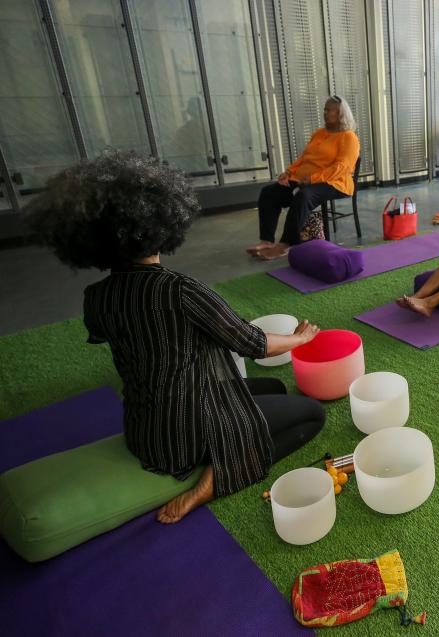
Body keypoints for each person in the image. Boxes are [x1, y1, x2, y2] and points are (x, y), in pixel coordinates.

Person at [26, 151, 327, 524]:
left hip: (143, 433)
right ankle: (215, 480)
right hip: (192, 434)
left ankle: (223, 452)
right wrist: (299, 339)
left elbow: (114, 333)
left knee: (274, 389)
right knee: (312, 415)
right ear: (162, 224)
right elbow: (252, 343)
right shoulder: (179, 290)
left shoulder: (97, 298)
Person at [249, 96, 360, 260]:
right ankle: (267, 240)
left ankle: (285, 244)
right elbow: (304, 158)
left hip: (334, 182)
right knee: (269, 192)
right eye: (325, 109)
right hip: (304, 178)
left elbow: (342, 167)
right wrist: (289, 172)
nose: (325, 113)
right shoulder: (319, 133)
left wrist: (313, 179)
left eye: (329, 110)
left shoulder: (348, 137)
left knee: (304, 196)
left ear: (341, 114)